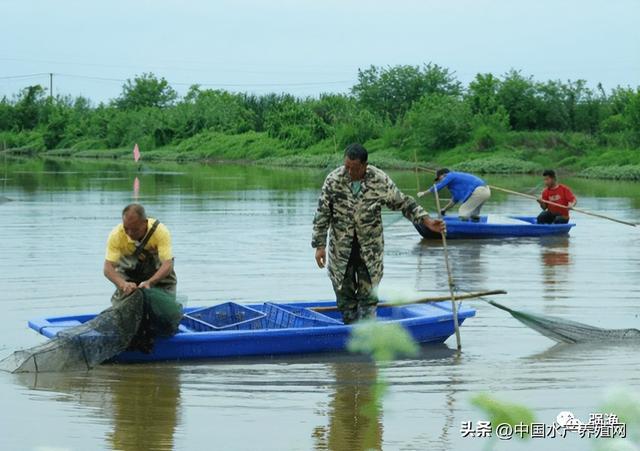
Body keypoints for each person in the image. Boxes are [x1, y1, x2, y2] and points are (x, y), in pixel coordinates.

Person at [311, 143, 445, 324]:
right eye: (347, 167)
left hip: (370, 252)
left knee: (369, 299)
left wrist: (427, 220)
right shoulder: (334, 180)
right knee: (345, 299)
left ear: (365, 166)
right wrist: (319, 246)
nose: (349, 172)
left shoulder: (379, 180)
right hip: (341, 251)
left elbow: (403, 203)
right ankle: (350, 329)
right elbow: (322, 214)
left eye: (355, 168)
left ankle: (368, 334)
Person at [103, 204, 177, 304]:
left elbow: (167, 264)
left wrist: (150, 282)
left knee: (165, 304)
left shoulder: (160, 231)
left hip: (157, 275)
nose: (130, 233)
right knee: (123, 303)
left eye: (135, 229)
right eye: (126, 228)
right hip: (129, 274)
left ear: (145, 223)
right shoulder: (116, 235)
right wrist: (123, 284)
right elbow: (108, 268)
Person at [418, 168, 491, 221]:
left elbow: (438, 186)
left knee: (463, 211)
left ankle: (464, 231)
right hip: (485, 191)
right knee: (473, 214)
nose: (440, 181)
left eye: (439, 179)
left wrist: (424, 193)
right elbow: (454, 200)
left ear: (444, 175)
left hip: (479, 191)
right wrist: (444, 210)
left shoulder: (450, 175)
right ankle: (476, 229)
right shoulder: (455, 184)